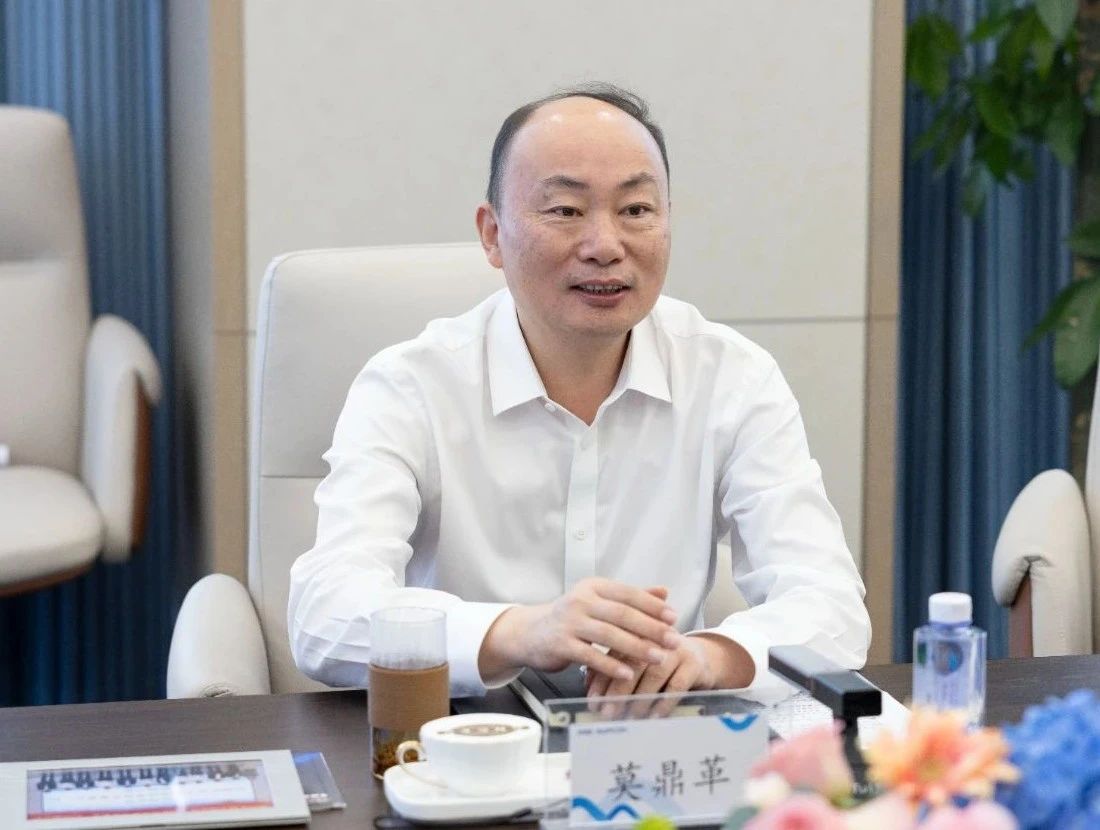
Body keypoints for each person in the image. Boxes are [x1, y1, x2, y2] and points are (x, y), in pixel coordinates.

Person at [287, 83, 870, 701]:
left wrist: (709, 658)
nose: (605, 247)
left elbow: (831, 603)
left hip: (657, 736)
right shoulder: (410, 386)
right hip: (462, 738)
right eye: (565, 211)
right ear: (492, 234)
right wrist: (518, 632)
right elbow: (326, 616)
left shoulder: (732, 377)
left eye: (636, 210)